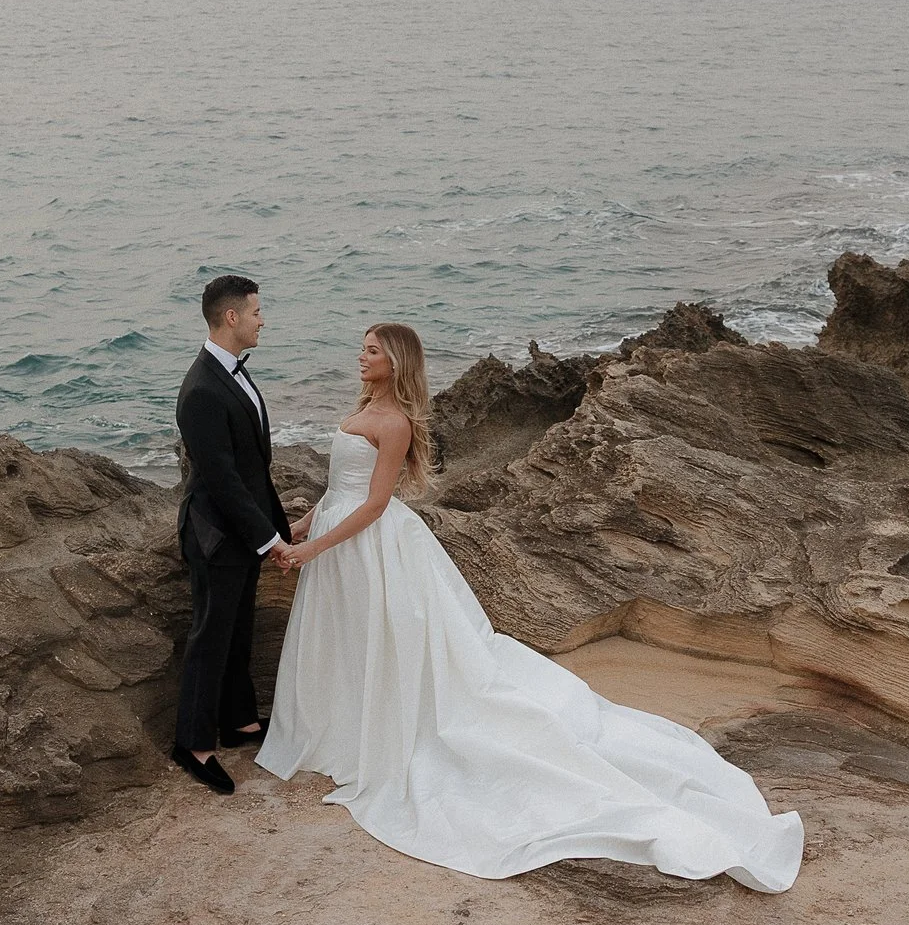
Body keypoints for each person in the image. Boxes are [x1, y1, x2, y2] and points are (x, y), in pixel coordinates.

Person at [255, 322, 802, 892]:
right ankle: (344, 728)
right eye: (363, 348)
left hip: (368, 546)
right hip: (338, 541)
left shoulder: (393, 423)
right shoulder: (363, 409)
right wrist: (296, 529)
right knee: (349, 639)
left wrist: (312, 548)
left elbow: (373, 505)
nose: (361, 357)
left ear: (395, 363)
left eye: (372, 351)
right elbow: (337, 491)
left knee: (388, 641)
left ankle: (383, 735)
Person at [168, 274, 292, 796]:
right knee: (210, 637)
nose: (264, 319)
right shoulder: (200, 389)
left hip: (243, 531)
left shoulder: (235, 374)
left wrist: (275, 528)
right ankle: (193, 744)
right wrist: (271, 542)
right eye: (258, 311)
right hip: (216, 534)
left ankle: (239, 721)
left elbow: (253, 468)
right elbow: (219, 478)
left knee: (239, 630)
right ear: (232, 317)